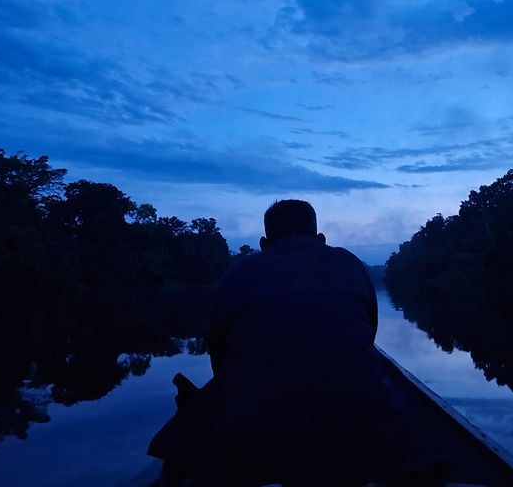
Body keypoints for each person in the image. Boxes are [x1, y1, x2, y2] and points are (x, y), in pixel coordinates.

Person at [148, 200, 448, 487]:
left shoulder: (237, 273)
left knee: (191, 426)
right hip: (360, 430)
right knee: (416, 425)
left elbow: (220, 361)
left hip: (255, 437)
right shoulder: (350, 264)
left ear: (264, 243)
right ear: (321, 238)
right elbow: (367, 336)